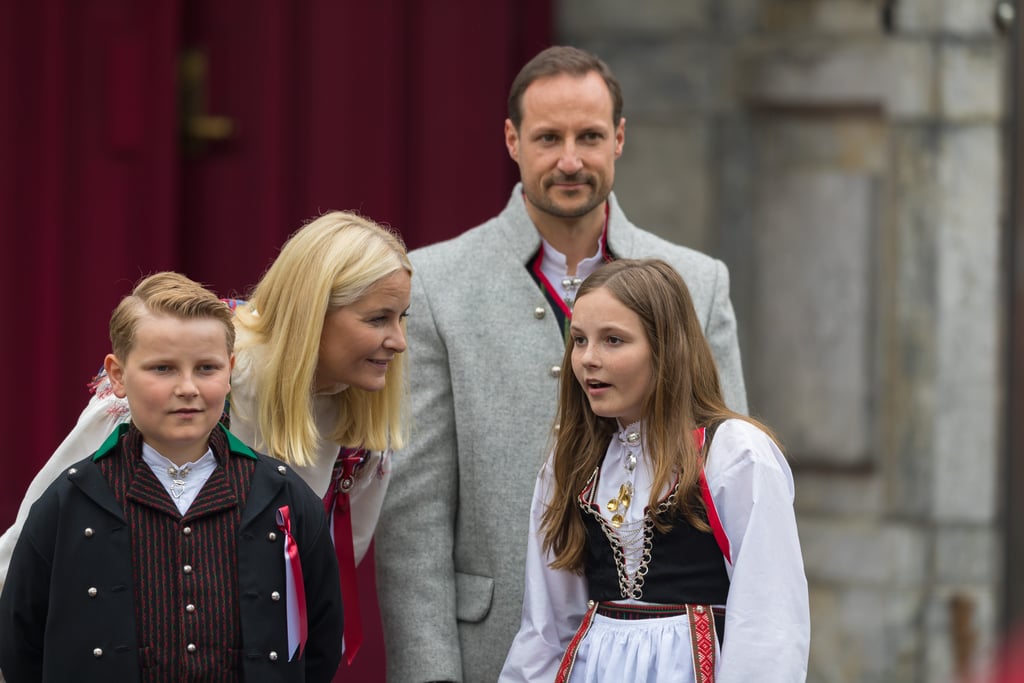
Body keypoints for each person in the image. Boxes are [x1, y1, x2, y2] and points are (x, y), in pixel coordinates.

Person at [375, 46, 749, 682]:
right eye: (548, 137)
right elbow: (414, 515)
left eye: (590, 136)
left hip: (670, 658)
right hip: (489, 647)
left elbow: (732, 496)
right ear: (512, 139)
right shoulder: (435, 283)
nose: (570, 160)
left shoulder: (697, 281)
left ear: (620, 139)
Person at [0, 210, 412, 669]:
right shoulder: (193, 382)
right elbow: (27, 556)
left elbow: (320, 587)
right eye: (377, 319)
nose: (398, 340)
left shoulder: (365, 422)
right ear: (314, 311)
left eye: (401, 318)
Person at [499, 259, 809, 682]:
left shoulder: (733, 453)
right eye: (579, 340)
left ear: (665, 349)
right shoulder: (571, 461)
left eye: (613, 340)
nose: (588, 359)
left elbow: (769, 622)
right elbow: (546, 628)